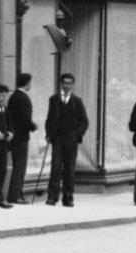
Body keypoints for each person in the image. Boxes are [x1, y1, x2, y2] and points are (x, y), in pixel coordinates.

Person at [45, 72, 90, 207]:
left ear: (72, 85)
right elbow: (50, 118)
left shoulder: (77, 101)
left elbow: (84, 121)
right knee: (55, 168)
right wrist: (48, 134)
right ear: (61, 83)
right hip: (57, 138)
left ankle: (68, 197)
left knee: (69, 169)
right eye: (65, 83)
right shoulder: (54, 99)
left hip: (71, 139)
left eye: (70, 83)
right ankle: (52, 197)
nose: (67, 86)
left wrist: (77, 135)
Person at [5, 73, 36, 205]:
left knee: (18, 165)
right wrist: (33, 126)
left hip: (15, 136)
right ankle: (15, 195)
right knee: (20, 166)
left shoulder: (14, 96)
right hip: (21, 136)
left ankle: (18, 193)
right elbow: (25, 118)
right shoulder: (23, 98)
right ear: (27, 83)